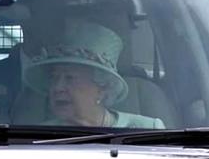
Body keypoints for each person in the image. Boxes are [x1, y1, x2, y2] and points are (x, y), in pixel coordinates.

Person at [24, 20, 165, 128]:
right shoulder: (39, 136)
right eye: (54, 78)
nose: (57, 88)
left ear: (102, 89)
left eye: (70, 78)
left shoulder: (148, 129)